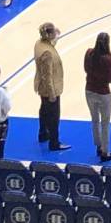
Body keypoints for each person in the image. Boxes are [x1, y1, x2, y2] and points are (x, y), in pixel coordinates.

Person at [31, 24, 66, 153]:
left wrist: (57, 37)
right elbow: (48, 76)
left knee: (44, 110)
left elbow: (51, 46)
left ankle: (43, 133)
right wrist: (52, 94)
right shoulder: (48, 53)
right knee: (54, 116)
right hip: (50, 88)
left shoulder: (39, 43)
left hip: (40, 85)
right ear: (50, 35)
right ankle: (54, 142)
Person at [85, 32, 111, 162]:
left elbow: (86, 68)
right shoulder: (108, 60)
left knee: (94, 120)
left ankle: (98, 146)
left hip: (89, 90)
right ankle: (105, 152)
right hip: (103, 93)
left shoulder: (89, 53)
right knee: (105, 123)